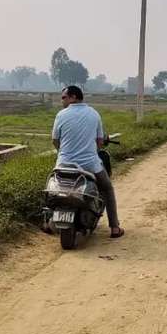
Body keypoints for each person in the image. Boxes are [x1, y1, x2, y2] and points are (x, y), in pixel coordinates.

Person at [51, 85, 124, 238]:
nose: (62, 100)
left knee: (52, 189)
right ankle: (115, 227)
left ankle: (46, 222)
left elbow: (55, 140)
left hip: (63, 163)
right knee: (107, 188)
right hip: (90, 165)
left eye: (64, 97)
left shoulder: (61, 115)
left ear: (73, 97)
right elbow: (100, 141)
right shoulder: (94, 114)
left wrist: (62, 153)